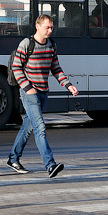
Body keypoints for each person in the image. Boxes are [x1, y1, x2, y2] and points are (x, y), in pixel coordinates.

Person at [7, 15, 78, 177]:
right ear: (37, 26)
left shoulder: (51, 45)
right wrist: (27, 88)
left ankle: (13, 158)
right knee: (40, 128)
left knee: (27, 127)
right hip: (29, 93)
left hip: (43, 92)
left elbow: (56, 69)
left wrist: (68, 85)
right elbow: (16, 68)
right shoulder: (27, 44)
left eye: (52, 27)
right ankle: (50, 164)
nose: (50, 30)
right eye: (47, 27)